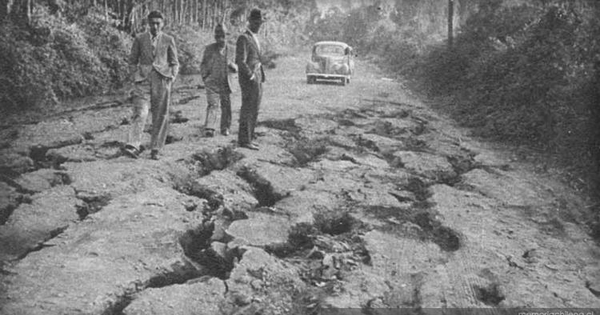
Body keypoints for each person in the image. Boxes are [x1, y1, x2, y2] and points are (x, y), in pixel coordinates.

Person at [123, 10, 179, 160]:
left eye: (158, 23)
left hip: (162, 80)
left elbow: (174, 62)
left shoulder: (168, 39)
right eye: (152, 23)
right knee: (140, 112)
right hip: (143, 80)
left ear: (163, 24)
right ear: (148, 23)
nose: (155, 26)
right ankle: (133, 145)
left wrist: (172, 77)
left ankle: (156, 148)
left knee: (161, 115)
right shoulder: (140, 39)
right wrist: (135, 76)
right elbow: (132, 61)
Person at [236, 8, 266, 150]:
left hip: (258, 76)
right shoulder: (244, 38)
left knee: (255, 108)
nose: (259, 25)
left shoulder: (255, 37)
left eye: (260, 23)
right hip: (249, 78)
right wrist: (251, 75)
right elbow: (240, 61)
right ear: (250, 22)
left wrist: (259, 75)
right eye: (256, 23)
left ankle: (249, 138)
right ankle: (244, 140)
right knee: (248, 108)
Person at [200, 23, 237, 137]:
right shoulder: (209, 49)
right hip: (212, 82)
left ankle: (225, 128)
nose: (221, 39)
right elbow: (203, 64)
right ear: (215, 37)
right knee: (213, 104)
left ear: (228, 36)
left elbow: (240, 65)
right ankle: (210, 128)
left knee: (226, 106)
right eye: (218, 36)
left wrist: (234, 67)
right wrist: (205, 77)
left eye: (223, 36)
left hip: (227, 82)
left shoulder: (233, 50)